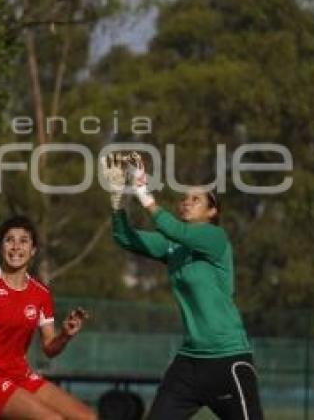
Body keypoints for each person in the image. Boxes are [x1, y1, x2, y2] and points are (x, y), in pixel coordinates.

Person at [103, 153, 263, 420]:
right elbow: (124, 237)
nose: (186, 202)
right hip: (189, 364)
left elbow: (176, 230)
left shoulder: (216, 237)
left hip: (228, 360)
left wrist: (143, 191)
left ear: (212, 212)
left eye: (196, 199)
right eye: (184, 199)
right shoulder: (173, 247)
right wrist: (117, 199)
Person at [0, 216, 97, 420]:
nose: (16, 246)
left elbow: (49, 349)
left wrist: (65, 334)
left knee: (87, 417)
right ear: (0, 247)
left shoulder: (40, 293)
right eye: (9, 240)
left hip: (21, 376)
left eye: (24, 240)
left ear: (33, 250)